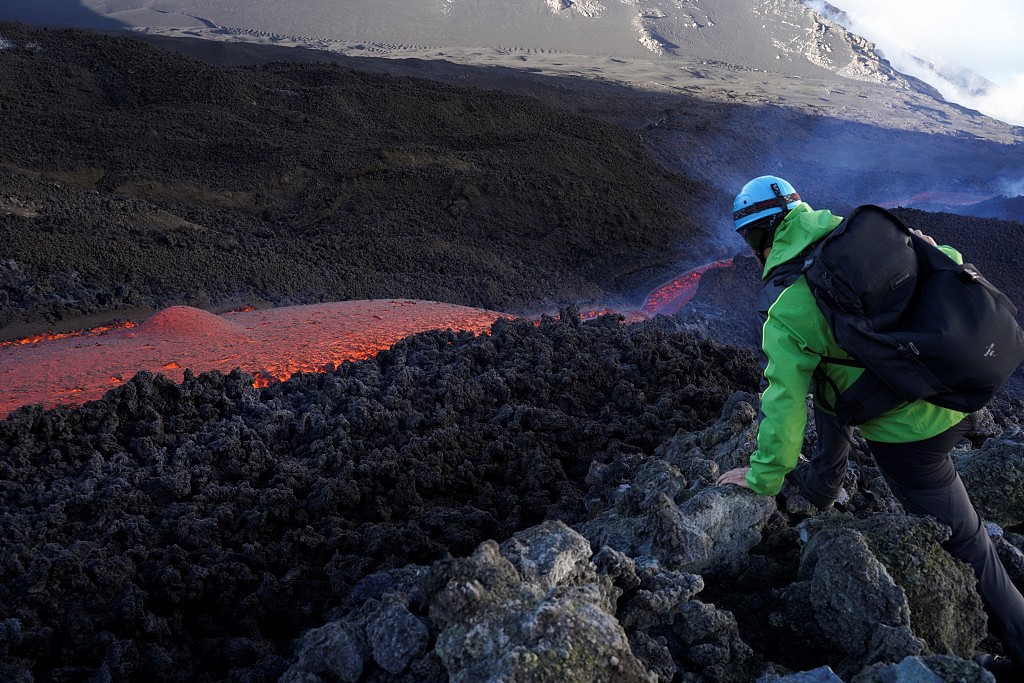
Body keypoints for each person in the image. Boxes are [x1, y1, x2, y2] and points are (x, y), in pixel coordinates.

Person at [715, 175, 1024, 678]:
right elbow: (941, 261)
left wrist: (762, 478)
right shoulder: (861, 233)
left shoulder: (785, 307)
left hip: (915, 438)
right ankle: (822, 488)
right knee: (832, 377)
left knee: (971, 545)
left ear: (757, 239)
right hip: (958, 390)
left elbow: (784, 404)